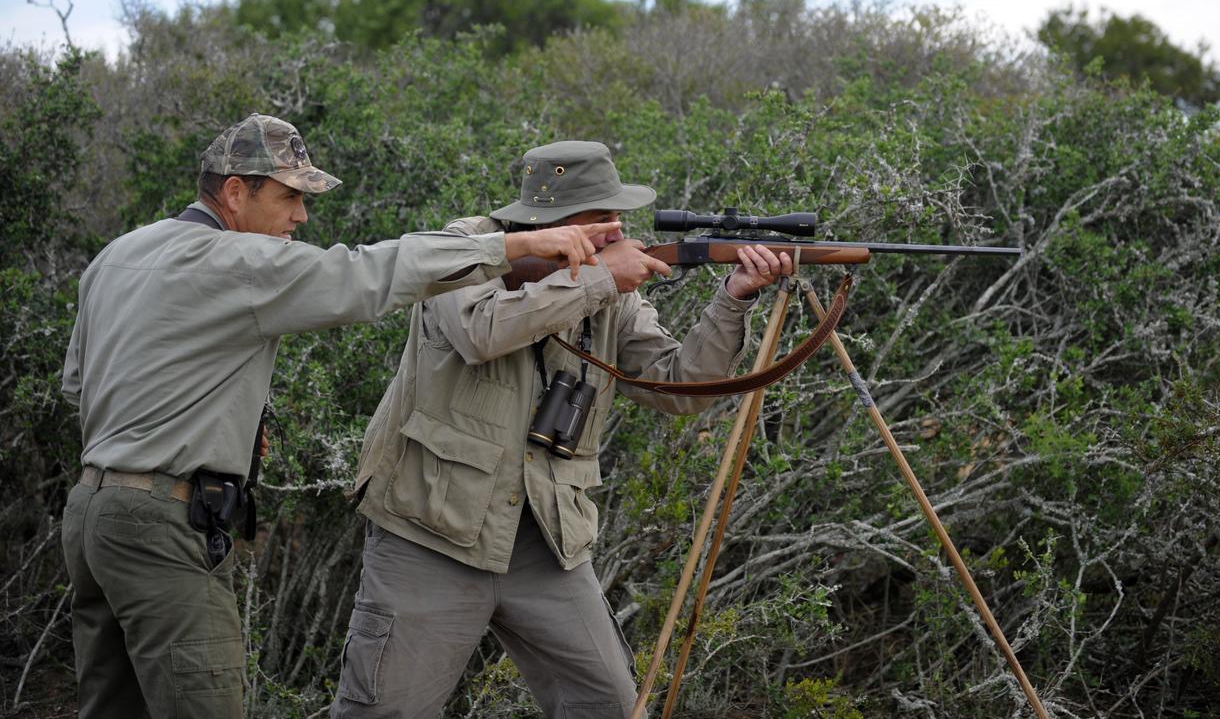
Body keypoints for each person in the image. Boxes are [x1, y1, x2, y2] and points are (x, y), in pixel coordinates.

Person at [60, 114, 613, 719]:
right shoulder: (237, 259)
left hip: (91, 516)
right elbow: (364, 275)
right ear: (236, 192)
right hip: (164, 526)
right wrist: (512, 246)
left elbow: (77, 385)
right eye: (290, 196)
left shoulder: (116, 255)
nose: (300, 217)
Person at [334, 140, 792, 718]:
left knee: (609, 706)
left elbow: (675, 384)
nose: (616, 228)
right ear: (551, 221)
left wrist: (733, 300)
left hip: (546, 540)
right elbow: (481, 331)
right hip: (429, 532)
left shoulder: (606, 279)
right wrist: (599, 278)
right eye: (601, 217)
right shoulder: (462, 248)